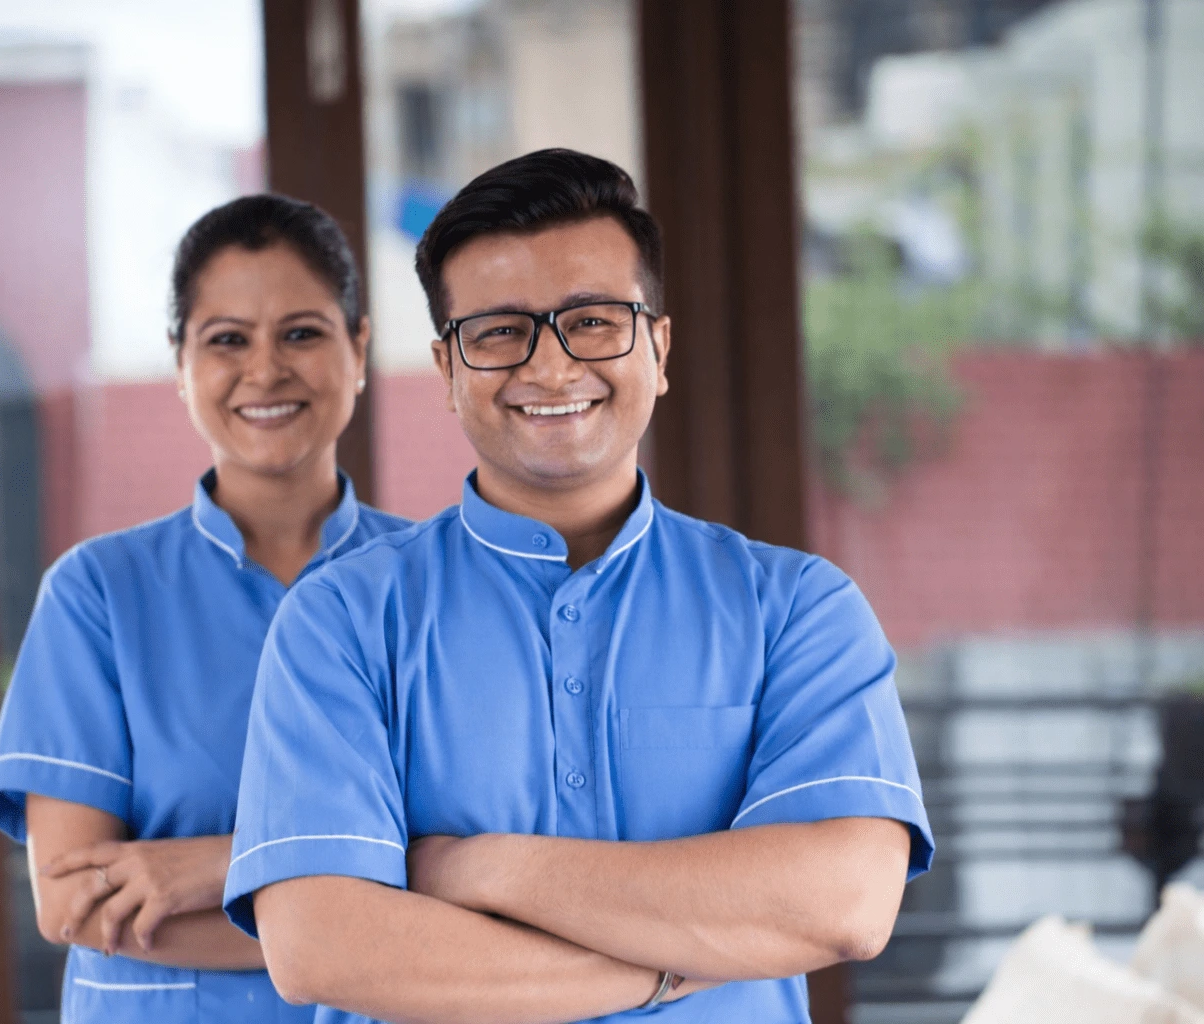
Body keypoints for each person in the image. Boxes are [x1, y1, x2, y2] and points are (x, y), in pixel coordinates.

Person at [222, 149, 934, 1024]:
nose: (552, 368)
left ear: (658, 347)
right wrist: (669, 968)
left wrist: (476, 867)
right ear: (448, 370)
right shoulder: (340, 622)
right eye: (498, 332)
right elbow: (321, 946)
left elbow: (845, 903)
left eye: (594, 321)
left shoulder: (797, 611)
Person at [0, 194, 409, 1024]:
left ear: (358, 347)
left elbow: (494, 867)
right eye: (227, 340)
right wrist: (365, 916)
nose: (266, 369)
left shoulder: (437, 583)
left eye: (303, 333)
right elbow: (78, 903)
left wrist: (209, 868)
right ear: (180, 363)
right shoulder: (97, 594)